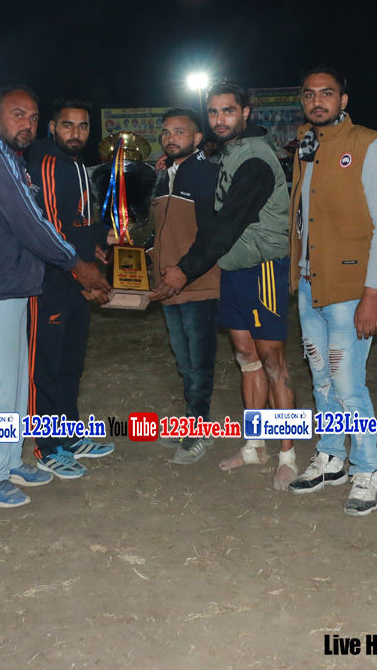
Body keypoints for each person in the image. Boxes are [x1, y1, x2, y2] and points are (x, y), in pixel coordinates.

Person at [0, 86, 110, 507]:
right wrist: (76, 263)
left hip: (13, 287)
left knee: (11, 386)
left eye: (31, 116)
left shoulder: (10, 158)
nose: (25, 123)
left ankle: (9, 463)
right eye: (16, 114)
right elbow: (31, 222)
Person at [150, 81, 297, 490]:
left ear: (245, 113)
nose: (219, 119)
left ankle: (288, 455)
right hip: (233, 269)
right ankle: (254, 446)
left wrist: (185, 270)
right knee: (246, 358)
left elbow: (226, 226)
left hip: (262, 269)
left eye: (228, 111)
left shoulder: (256, 159)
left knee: (273, 362)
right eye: (213, 112)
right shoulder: (230, 152)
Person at [285, 64, 377, 517]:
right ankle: (331, 456)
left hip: (351, 289)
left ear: (343, 100)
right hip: (310, 284)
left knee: (349, 385)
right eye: (310, 94)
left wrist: (372, 294)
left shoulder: (367, 145)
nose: (318, 101)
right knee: (321, 379)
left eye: (327, 93)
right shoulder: (305, 146)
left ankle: (367, 468)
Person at [26, 96, 115, 478]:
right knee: (45, 368)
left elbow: (74, 220)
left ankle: (69, 436)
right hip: (49, 282)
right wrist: (83, 272)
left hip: (75, 279)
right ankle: (47, 447)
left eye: (82, 126)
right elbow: (46, 228)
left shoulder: (75, 164)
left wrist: (95, 242)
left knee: (70, 365)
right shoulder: (46, 162)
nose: (75, 133)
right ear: (52, 127)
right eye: (67, 125)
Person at [146, 108, 221, 464]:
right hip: (168, 285)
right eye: (165, 132)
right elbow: (156, 230)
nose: (170, 137)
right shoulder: (165, 177)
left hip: (198, 283)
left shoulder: (207, 174)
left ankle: (198, 430)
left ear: (197, 138)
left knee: (200, 363)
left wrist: (185, 271)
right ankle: (192, 422)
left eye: (179, 131)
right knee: (185, 361)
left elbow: (212, 235)